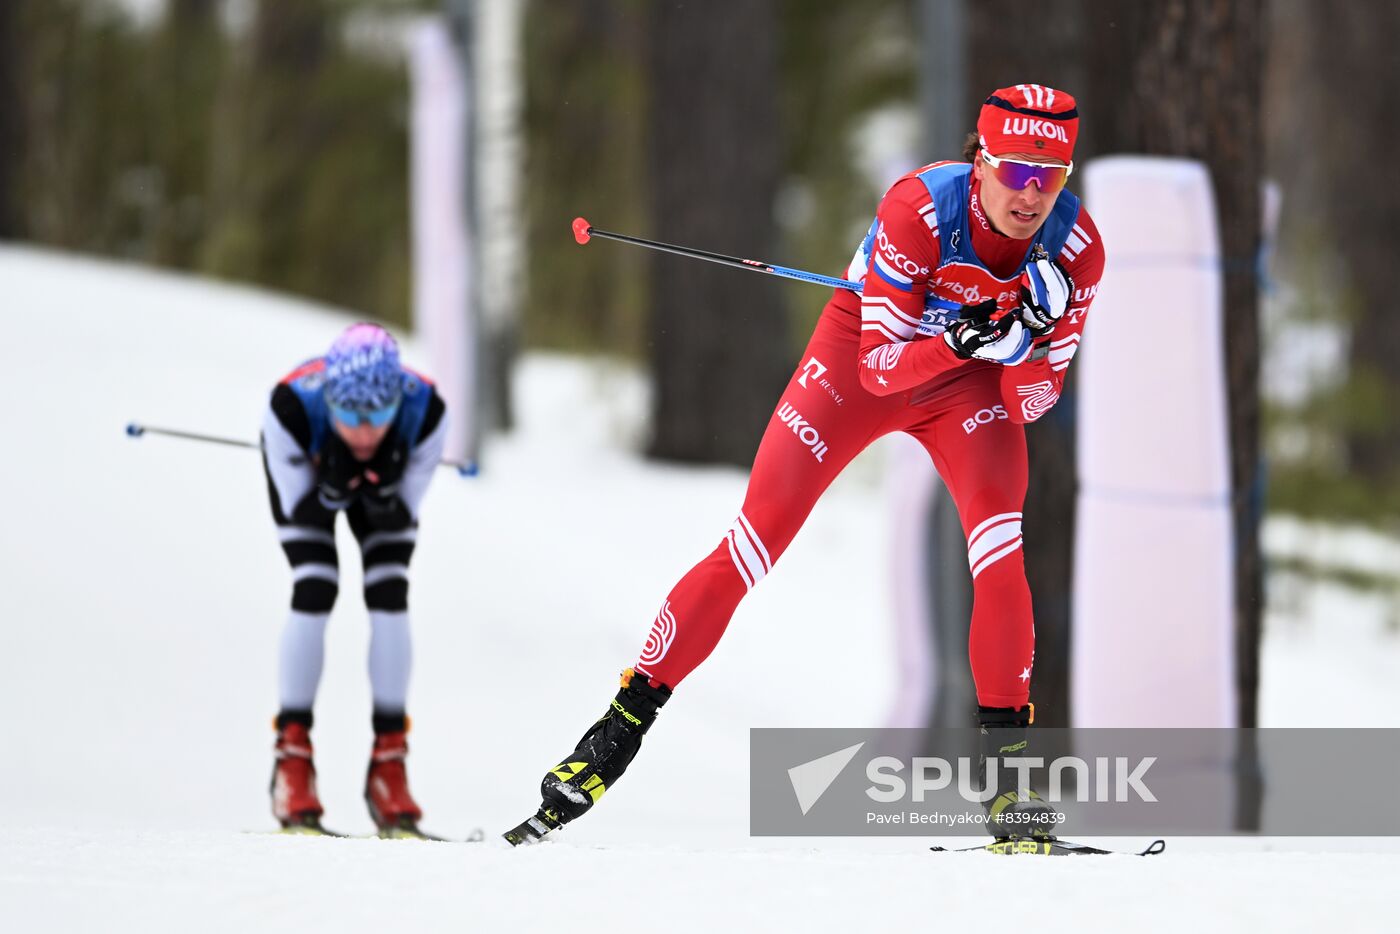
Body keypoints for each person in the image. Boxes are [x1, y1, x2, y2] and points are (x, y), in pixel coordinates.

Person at [506, 84, 1106, 845]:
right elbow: (883, 367)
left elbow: (1031, 403)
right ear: (979, 161)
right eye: (1016, 170)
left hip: (969, 389)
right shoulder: (920, 208)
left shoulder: (1077, 249)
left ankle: (1011, 789)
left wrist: (1028, 336)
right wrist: (965, 339)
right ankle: (617, 731)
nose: (1031, 195)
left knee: (999, 551)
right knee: (753, 544)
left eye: (1049, 177)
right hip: (864, 360)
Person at [260, 322, 447, 836]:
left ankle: (390, 761)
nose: (365, 431)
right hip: (307, 474)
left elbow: (402, 512)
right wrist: (332, 487)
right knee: (315, 584)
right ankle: (292, 757)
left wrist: (380, 489)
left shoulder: (426, 413)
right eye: (351, 416)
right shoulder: (290, 410)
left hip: (384, 481)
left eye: (378, 415)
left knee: (390, 591)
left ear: (396, 402)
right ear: (331, 400)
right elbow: (300, 506)